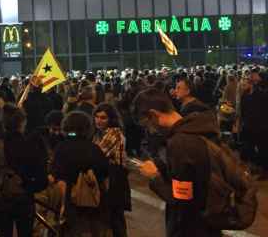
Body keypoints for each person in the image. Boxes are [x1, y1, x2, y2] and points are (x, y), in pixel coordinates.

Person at [133, 87, 222, 237]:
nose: (150, 130)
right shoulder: (200, 127)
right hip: (210, 219)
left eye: (146, 124)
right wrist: (162, 166)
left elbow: (182, 201)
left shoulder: (179, 143)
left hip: (191, 228)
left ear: (153, 115)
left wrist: (155, 176)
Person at [0, 104, 48, 237]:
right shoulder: (32, 145)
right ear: (22, 122)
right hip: (25, 199)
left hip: (2, 199)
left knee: (3, 233)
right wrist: (29, 187)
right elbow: (42, 179)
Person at [52, 111, 110, 237]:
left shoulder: (61, 148)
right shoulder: (94, 149)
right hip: (92, 202)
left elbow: (56, 174)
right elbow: (105, 172)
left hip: (68, 201)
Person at [93, 103, 131, 237]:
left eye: (103, 118)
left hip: (114, 179)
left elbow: (97, 155)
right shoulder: (100, 133)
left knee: (115, 217)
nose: (98, 120)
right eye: (96, 117)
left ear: (111, 119)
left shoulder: (113, 133)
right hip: (111, 178)